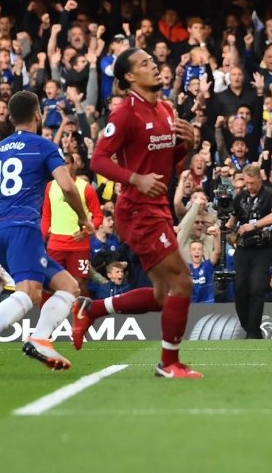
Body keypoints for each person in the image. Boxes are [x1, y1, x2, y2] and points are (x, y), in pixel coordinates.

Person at [71, 48, 203, 379]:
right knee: (182, 282)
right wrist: (135, 179)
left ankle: (93, 308)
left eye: (153, 61)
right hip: (136, 210)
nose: (154, 66)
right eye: (145, 63)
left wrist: (186, 145)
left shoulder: (165, 108)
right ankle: (168, 364)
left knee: (162, 296)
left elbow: (168, 161)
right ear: (130, 77)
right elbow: (99, 159)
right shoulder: (125, 113)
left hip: (155, 207)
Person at [0, 91, 95, 376]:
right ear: (38, 115)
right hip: (24, 229)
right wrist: (83, 218)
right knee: (30, 293)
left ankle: (40, 338)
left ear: (10, 117)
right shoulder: (43, 146)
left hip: (2, 231)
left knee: (68, 287)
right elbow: (67, 186)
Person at [225, 164, 272, 338]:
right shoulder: (240, 196)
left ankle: (253, 331)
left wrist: (254, 225)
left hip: (262, 248)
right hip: (243, 248)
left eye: (252, 183)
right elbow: (231, 223)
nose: (249, 186)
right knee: (240, 288)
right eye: (246, 183)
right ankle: (250, 328)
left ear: (259, 179)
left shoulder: (270, 194)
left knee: (257, 288)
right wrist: (227, 230)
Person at [41, 153, 103, 296]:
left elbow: (98, 216)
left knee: (80, 284)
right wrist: (40, 240)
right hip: (55, 245)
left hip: (79, 245)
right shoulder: (50, 187)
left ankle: (81, 315)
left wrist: (87, 231)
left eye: (67, 163)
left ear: (74, 165)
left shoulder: (86, 188)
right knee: (51, 284)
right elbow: (46, 216)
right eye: (60, 165)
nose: (63, 167)